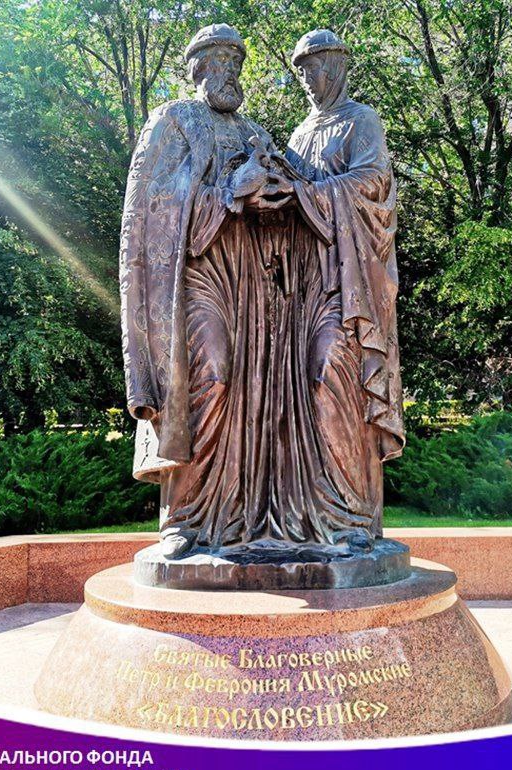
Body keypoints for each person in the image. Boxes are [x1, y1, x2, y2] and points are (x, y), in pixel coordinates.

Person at [119, 24, 293, 559]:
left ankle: (245, 518)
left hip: (252, 279)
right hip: (193, 275)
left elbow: (284, 193)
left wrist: (274, 196)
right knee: (210, 377)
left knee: (252, 390)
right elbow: (156, 208)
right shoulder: (174, 119)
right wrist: (229, 193)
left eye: (236, 63)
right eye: (219, 62)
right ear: (196, 67)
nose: (230, 73)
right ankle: (184, 517)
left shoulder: (255, 131)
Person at [273, 29, 405, 552]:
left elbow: (372, 183)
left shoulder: (360, 120)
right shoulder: (300, 133)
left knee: (331, 374)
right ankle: (308, 517)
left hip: (346, 280)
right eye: (300, 70)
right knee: (297, 391)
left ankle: (351, 515)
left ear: (336, 66)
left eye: (313, 67)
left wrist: (305, 191)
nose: (306, 78)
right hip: (302, 282)